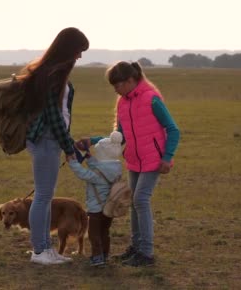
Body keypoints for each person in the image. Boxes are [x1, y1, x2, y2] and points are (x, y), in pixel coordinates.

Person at [76, 61, 180, 267]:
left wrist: (167, 157)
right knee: (134, 201)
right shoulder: (123, 102)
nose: (116, 89)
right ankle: (136, 248)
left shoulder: (152, 99)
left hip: (153, 160)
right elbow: (118, 137)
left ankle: (147, 253)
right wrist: (93, 141)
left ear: (131, 80)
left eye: (118, 85)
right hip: (134, 160)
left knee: (141, 199)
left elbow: (173, 129)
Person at [17, 27, 89, 265]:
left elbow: (59, 115)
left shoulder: (51, 72)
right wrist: (69, 146)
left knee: (44, 197)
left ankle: (46, 249)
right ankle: (40, 251)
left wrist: (68, 141)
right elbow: (54, 116)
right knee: (43, 196)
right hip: (46, 140)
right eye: (78, 51)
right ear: (68, 48)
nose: (79, 56)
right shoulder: (53, 74)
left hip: (50, 140)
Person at [67, 131, 124, 267]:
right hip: (109, 208)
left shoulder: (97, 174)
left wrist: (73, 162)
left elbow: (83, 173)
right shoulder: (116, 168)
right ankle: (105, 254)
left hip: (96, 210)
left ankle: (97, 258)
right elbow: (100, 167)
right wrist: (89, 158)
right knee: (105, 232)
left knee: (94, 234)